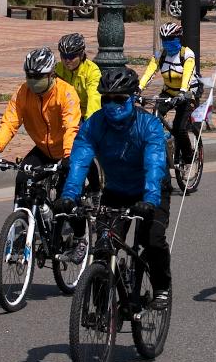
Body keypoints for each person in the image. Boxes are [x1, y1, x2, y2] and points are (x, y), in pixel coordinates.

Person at [57, 68, 172, 309]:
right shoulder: (94, 125)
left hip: (150, 192)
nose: (111, 105)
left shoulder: (149, 126)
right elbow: (79, 162)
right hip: (117, 191)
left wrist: (150, 200)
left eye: (119, 99)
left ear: (132, 98)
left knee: (152, 241)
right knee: (103, 247)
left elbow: (154, 164)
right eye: (105, 99)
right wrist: (69, 196)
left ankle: (161, 288)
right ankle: (100, 310)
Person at [0, 47, 82, 207]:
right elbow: (10, 121)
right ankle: (21, 224)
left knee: (65, 204)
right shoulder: (23, 92)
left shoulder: (66, 93)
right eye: (29, 76)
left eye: (39, 76)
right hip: (43, 150)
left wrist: (68, 155)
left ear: (52, 74)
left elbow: (71, 127)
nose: (33, 81)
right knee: (22, 179)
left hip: (67, 152)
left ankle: (78, 232)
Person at [138, 22, 203, 172]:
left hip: (187, 93)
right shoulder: (161, 55)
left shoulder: (187, 54)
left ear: (179, 39)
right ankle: (165, 146)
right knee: (154, 118)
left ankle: (188, 158)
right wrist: (138, 90)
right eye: (165, 40)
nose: (168, 43)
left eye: (171, 39)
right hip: (168, 92)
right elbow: (149, 72)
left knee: (179, 128)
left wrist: (182, 93)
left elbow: (187, 75)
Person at [56, 33, 102, 120]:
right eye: (64, 56)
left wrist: (89, 124)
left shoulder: (92, 71)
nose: (67, 61)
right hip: (66, 112)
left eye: (71, 56)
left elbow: (94, 99)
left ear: (81, 55)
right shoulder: (57, 69)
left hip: (84, 114)